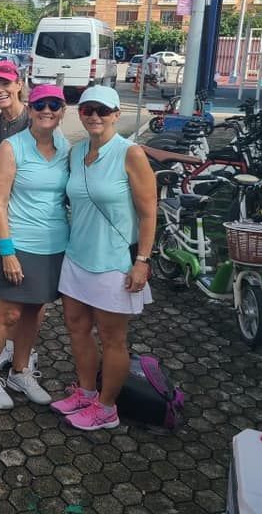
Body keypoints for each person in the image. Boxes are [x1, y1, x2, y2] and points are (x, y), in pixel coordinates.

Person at [52, 86, 157, 431]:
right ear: (80, 114)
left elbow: (148, 213)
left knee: (113, 339)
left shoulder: (130, 153)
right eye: (87, 110)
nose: (94, 116)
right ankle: (85, 391)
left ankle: (107, 407)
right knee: (77, 328)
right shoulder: (77, 151)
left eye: (102, 110)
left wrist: (142, 259)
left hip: (114, 262)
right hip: (77, 256)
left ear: (115, 114)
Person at [0, 84, 70, 410]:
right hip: (17, 244)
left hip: (54, 245)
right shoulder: (11, 147)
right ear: (30, 109)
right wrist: (8, 250)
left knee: (35, 311)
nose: (47, 111)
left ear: (62, 111)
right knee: (9, 312)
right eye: (40, 104)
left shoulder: (65, 147)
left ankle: (20, 371)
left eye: (54, 105)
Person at [0, 59, 39, 372]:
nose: (0, 90)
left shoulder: (34, 120)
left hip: (28, 223)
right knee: (8, 292)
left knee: (31, 296)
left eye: (6, 83)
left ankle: (24, 352)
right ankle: (14, 348)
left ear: (18, 84)